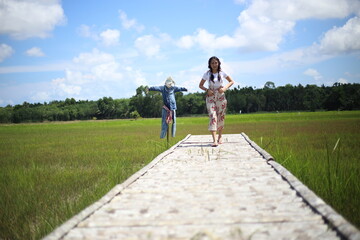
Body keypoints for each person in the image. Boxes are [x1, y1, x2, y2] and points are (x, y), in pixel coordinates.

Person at [199, 56, 234, 147]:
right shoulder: (207, 74)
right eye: (212, 63)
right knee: (212, 116)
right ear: (209, 65)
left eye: (216, 63)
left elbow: (231, 81)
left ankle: (220, 137)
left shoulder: (222, 73)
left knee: (220, 116)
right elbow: (200, 85)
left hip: (220, 96)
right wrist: (207, 90)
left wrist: (225, 88)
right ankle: (214, 140)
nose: (214, 65)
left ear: (218, 63)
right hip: (210, 96)